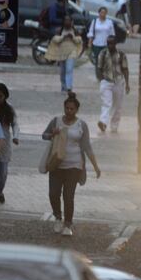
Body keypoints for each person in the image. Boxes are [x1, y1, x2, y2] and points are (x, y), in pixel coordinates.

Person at [41, 92, 101, 236]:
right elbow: (44, 135)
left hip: (74, 166)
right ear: (64, 108)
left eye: (72, 109)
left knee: (68, 196)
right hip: (56, 164)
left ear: (76, 110)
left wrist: (96, 166)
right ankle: (57, 217)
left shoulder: (82, 125)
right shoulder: (56, 121)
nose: (69, 111)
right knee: (53, 193)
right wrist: (52, 133)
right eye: (67, 108)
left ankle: (68, 224)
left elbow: (87, 147)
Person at [0, 83, 19, 205]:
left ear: (5, 96)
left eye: (0, 96)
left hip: (4, 143)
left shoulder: (9, 109)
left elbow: (15, 124)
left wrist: (16, 137)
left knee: (3, 173)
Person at [95, 31, 130, 135]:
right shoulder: (103, 53)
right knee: (107, 103)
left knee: (118, 106)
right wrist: (102, 80)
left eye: (112, 43)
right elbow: (99, 68)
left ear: (115, 44)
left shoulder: (121, 54)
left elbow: (125, 69)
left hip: (119, 82)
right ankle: (103, 122)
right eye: (108, 43)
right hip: (106, 82)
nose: (110, 45)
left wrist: (127, 84)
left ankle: (114, 125)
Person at [47, 15, 84, 93]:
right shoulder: (59, 30)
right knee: (62, 71)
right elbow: (54, 39)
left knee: (69, 70)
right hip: (61, 53)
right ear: (63, 22)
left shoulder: (74, 31)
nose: (67, 22)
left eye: (69, 20)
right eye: (65, 20)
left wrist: (73, 38)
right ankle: (63, 87)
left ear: (71, 22)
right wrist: (62, 37)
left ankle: (69, 87)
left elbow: (79, 40)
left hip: (72, 53)